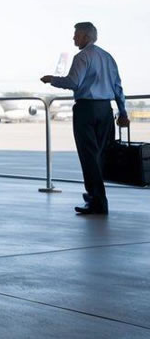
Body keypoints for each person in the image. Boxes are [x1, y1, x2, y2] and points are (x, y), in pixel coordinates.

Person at [41, 22, 128, 216]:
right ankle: (95, 196)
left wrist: (52, 79)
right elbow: (118, 87)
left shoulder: (82, 57)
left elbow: (73, 82)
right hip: (106, 110)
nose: (73, 38)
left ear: (85, 37)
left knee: (88, 155)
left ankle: (97, 200)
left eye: (76, 35)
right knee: (100, 155)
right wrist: (123, 113)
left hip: (86, 110)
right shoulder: (107, 57)